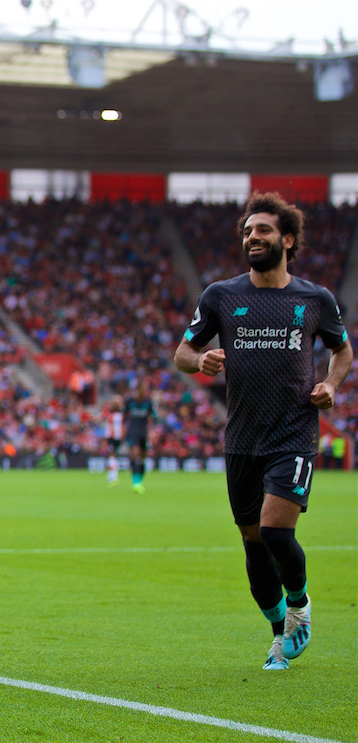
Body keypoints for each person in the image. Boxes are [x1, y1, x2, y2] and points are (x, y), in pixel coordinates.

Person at [174, 192, 351, 671]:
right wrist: (201, 360)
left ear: (287, 239)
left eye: (264, 230)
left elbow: (342, 351)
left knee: (275, 531)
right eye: (248, 231)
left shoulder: (315, 299)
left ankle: (300, 603)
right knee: (252, 541)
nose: (253, 237)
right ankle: (280, 634)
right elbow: (182, 353)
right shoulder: (221, 296)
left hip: (294, 432)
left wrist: (332, 384)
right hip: (243, 438)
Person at [124, 381, 156, 493]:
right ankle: (135, 482)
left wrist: (152, 432)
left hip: (143, 432)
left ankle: (139, 481)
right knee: (135, 455)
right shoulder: (130, 402)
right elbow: (124, 416)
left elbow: (153, 418)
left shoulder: (148, 403)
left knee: (142, 458)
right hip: (133, 432)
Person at [102, 395, 125, 486]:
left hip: (114, 437)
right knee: (112, 455)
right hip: (113, 437)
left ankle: (114, 476)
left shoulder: (118, 414)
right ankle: (111, 475)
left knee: (112, 455)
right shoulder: (111, 414)